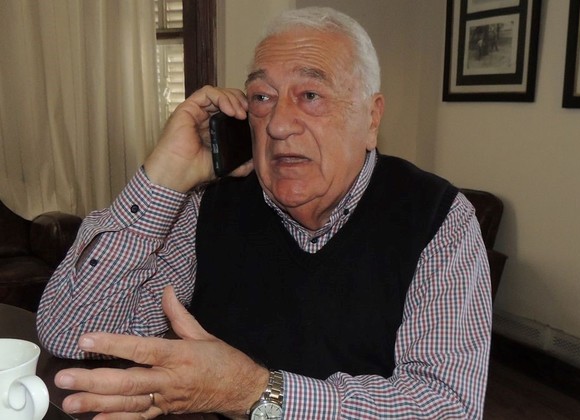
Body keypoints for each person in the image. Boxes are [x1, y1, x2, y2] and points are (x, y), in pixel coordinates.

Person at [36, 6, 492, 419]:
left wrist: (256, 394)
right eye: (261, 97)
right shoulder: (212, 204)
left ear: (371, 118)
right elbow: (72, 333)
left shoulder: (438, 219)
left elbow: (446, 405)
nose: (278, 124)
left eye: (310, 94)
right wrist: (163, 177)